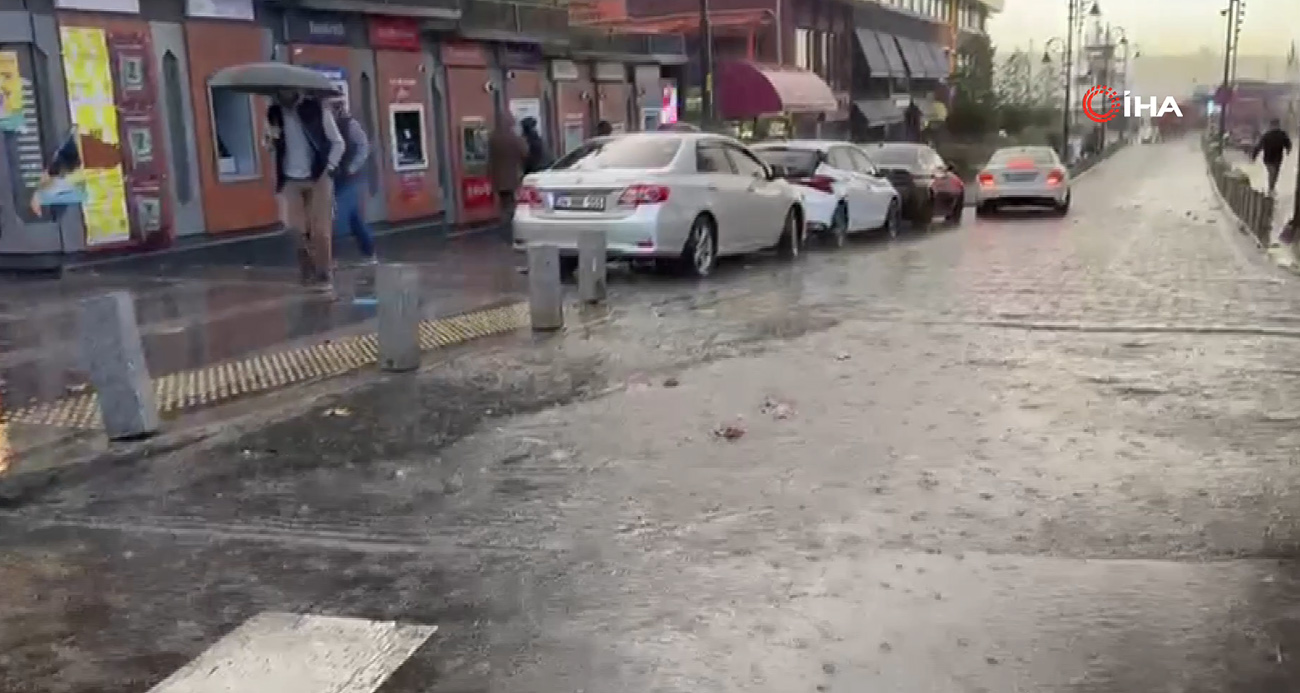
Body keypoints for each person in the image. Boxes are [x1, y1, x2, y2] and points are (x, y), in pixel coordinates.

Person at [266, 88, 345, 292]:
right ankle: (307, 270)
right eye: (278, 93)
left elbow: (338, 143)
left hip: (318, 176)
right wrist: (270, 140)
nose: (281, 96)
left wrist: (329, 168)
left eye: (284, 91)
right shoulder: (274, 113)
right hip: (291, 178)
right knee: (296, 230)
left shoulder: (316, 109)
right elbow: (270, 146)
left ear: (294, 90)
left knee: (320, 230)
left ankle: (323, 273)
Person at [329, 98, 375, 264]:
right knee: (338, 216)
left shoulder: (350, 125)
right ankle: (332, 256)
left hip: (349, 178)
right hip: (331, 176)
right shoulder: (325, 125)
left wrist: (352, 167)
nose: (332, 111)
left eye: (335, 107)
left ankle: (368, 251)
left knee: (348, 215)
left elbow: (364, 146)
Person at [486, 112, 528, 237]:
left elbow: (489, 158)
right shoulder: (514, 138)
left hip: (497, 177)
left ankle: (503, 226)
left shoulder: (493, 138)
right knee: (511, 203)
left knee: (504, 202)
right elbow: (525, 153)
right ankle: (510, 228)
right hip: (512, 176)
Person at [1252, 119, 1293, 196]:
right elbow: (1259, 146)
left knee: (1275, 173)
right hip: (1271, 158)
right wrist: (1254, 155)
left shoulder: (1279, 134)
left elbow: (1287, 143)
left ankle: (1272, 188)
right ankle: (1271, 189)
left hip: (1274, 158)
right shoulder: (1271, 135)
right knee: (1273, 173)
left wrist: (1288, 150)